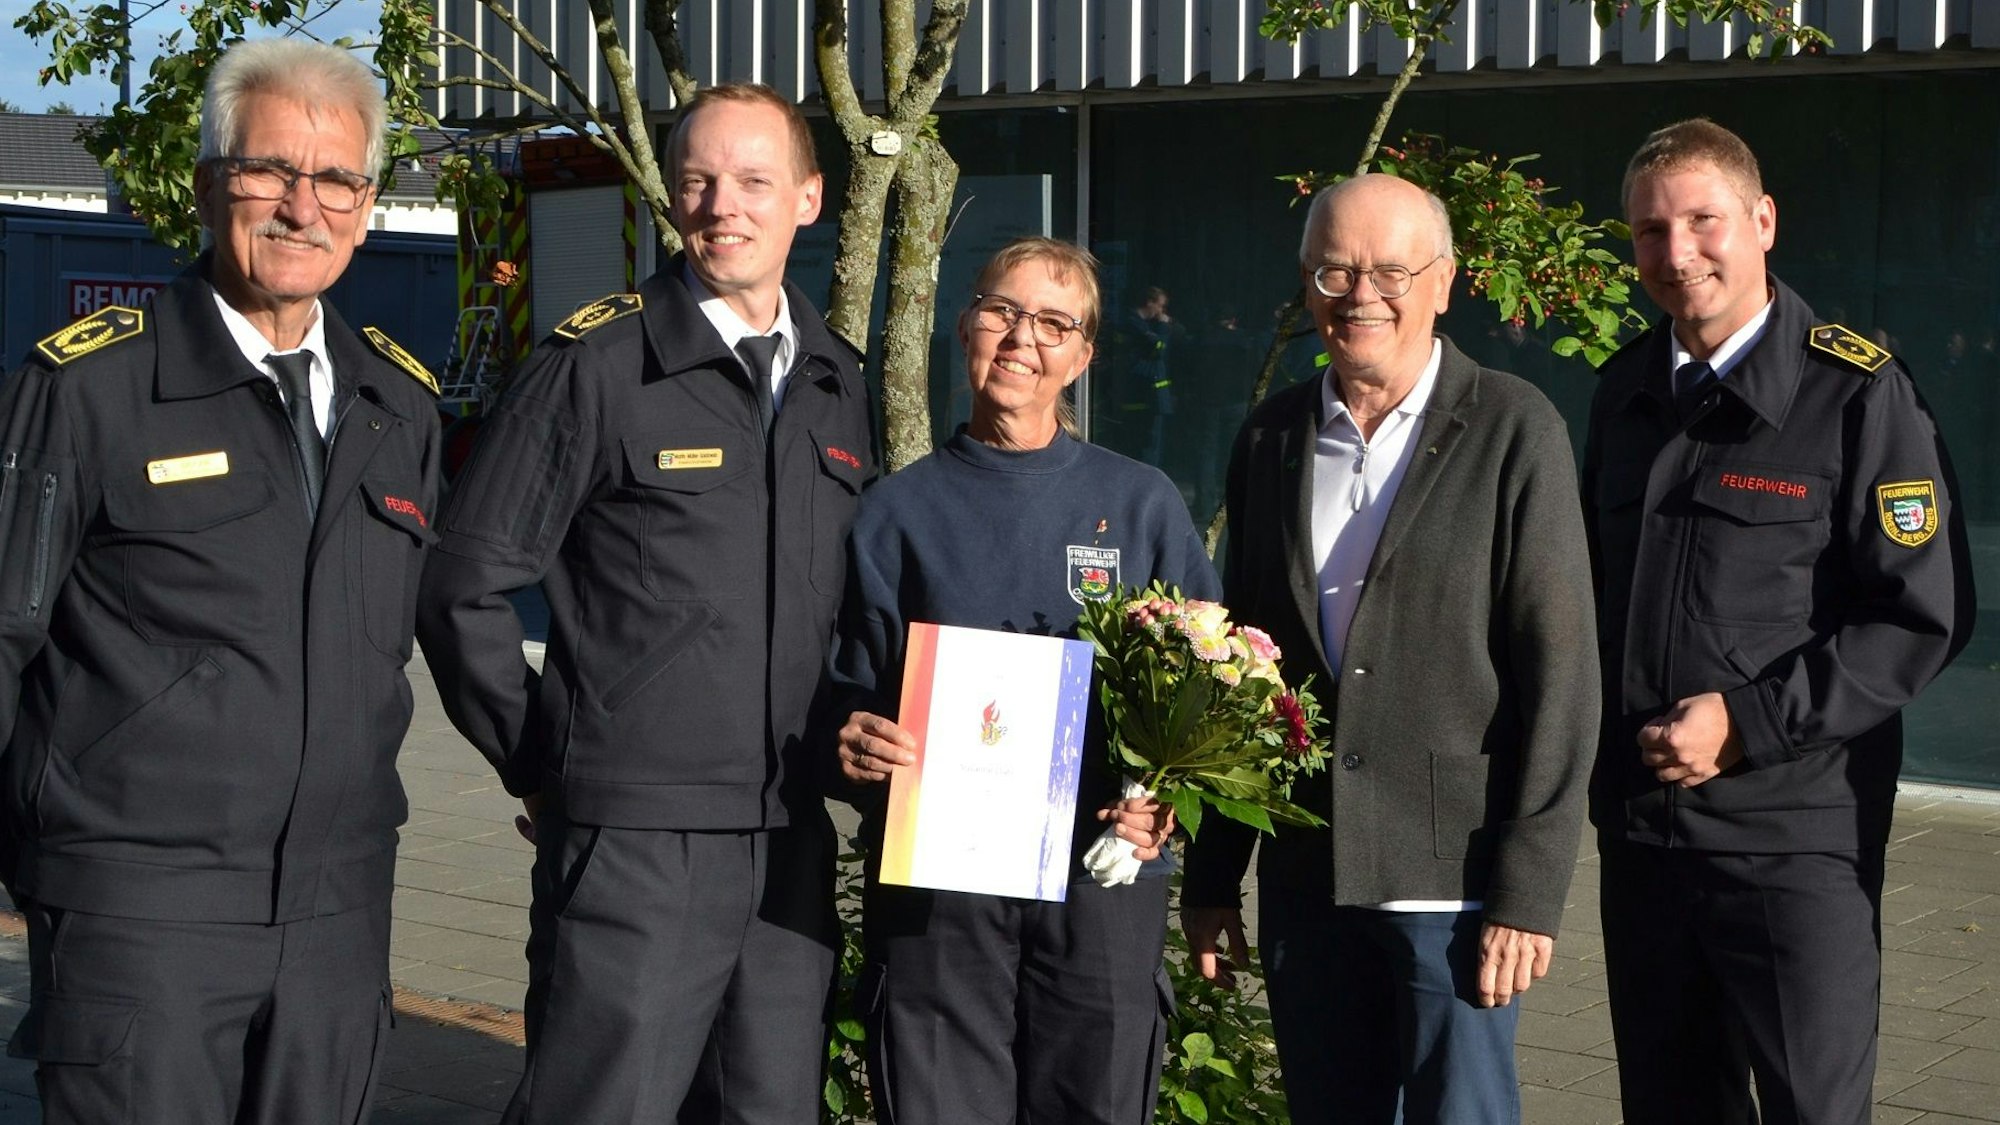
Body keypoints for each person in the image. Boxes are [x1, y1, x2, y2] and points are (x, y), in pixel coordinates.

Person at [0, 38, 440, 1123]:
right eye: (268, 172)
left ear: (369, 202)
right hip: (141, 911)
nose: (303, 206)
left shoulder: (400, 406)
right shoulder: (90, 390)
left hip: (339, 910)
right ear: (208, 187)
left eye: (336, 178)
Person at [414, 82, 872, 1123]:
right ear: (671, 196)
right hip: (634, 839)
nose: (725, 205)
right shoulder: (596, 365)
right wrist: (540, 761)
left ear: (806, 199)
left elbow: (847, 609)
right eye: (699, 181)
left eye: (754, 181)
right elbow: (461, 585)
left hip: (787, 834)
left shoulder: (835, 381)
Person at [1180, 174, 1599, 1125]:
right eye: (1336, 269)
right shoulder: (1274, 436)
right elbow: (1244, 675)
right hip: (1306, 872)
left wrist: (1530, 892)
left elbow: (1563, 675)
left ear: (1444, 282)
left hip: (1450, 882)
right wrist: (1213, 876)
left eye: (1391, 269)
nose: (1361, 293)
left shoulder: (1514, 427)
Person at [1585, 119, 1975, 1125]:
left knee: (1811, 1108)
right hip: (1643, 841)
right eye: (1647, 230)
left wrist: (1747, 724)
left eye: (1701, 221)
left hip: (1793, 839)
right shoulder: (1620, 391)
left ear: (1760, 221)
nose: (1675, 254)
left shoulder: (1855, 393)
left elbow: (1918, 618)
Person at [831, 237, 1215, 1125]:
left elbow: (1207, 697)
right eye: (1002, 311)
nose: (1021, 338)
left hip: (1098, 885)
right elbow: (844, 682)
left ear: (1081, 356)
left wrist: (1162, 804)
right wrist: (848, 737)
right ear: (965, 325)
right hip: (940, 898)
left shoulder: (1144, 502)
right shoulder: (895, 510)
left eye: (1053, 322)